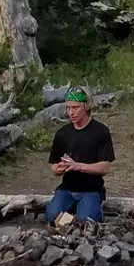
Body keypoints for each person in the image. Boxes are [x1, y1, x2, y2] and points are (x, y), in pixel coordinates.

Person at [46, 88, 114, 225]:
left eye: (75, 108)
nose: (71, 112)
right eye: (68, 108)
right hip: (67, 189)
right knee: (51, 217)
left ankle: (87, 214)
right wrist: (58, 169)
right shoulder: (62, 134)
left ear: (86, 106)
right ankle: (70, 219)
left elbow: (104, 167)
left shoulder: (100, 131)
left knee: (86, 221)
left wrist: (77, 166)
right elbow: (53, 165)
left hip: (91, 190)